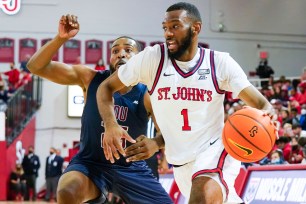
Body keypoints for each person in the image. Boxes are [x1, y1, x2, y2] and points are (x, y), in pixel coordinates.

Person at [96, 2, 277, 203]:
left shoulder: (219, 63)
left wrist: (269, 116)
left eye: (175, 26)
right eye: (165, 28)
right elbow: (105, 88)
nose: (168, 33)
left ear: (195, 28)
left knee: (201, 195)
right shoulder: (152, 59)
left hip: (214, 151)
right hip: (180, 165)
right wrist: (114, 125)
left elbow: (262, 104)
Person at [26, 14, 172, 204]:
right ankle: (98, 193)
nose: (121, 54)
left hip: (131, 168)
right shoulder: (90, 78)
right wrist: (60, 38)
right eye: (115, 50)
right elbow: (35, 66)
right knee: (67, 191)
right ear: (110, 58)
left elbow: (168, 133)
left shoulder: (147, 92)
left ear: (139, 58)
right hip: (89, 164)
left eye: (128, 50)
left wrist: (156, 144)